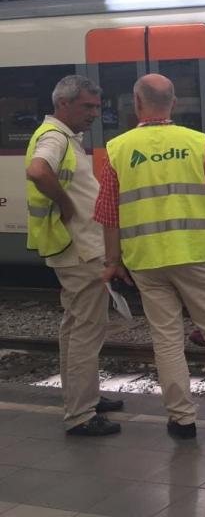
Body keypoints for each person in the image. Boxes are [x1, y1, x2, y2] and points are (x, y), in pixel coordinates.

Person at [95, 73, 205, 439]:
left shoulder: (117, 149)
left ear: (137, 104)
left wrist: (112, 261)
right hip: (197, 254)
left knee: (166, 339)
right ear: (174, 103)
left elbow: (109, 214)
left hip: (147, 259)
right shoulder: (198, 143)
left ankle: (181, 418)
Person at [24, 75, 123, 436]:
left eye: (97, 106)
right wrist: (65, 203)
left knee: (73, 328)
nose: (95, 113)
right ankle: (81, 414)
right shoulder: (55, 138)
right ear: (63, 104)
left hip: (72, 247)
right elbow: (37, 170)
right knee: (86, 330)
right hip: (79, 249)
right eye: (87, 106)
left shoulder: (64, 138)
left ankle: (85, 397)